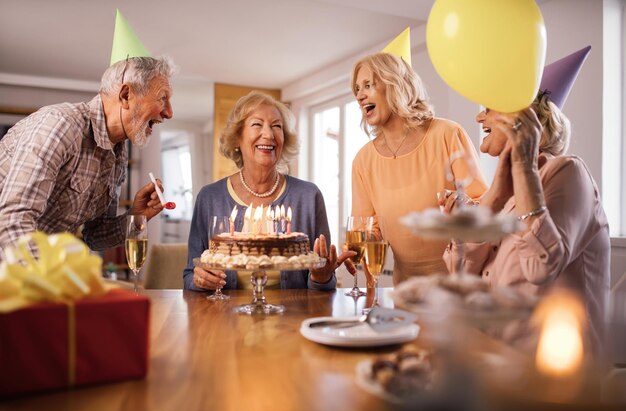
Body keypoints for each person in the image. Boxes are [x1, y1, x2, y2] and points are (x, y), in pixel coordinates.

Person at [442, 46, 609, 358]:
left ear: (525, 118)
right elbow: (459, 276)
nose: (480, 116)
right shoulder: (506, 189)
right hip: (496, 365)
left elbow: (540, 268)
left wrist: (523, 167)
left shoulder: (568, 172)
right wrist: (491, 202)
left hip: (556, 386)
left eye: (490, 107)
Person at [0, 56, 176, 260]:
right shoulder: (60, 125)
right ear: (126, 95)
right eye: (163, 98)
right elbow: (11, 220)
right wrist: (49, 283)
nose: (169, 112)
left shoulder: (118, 153)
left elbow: (96, 236)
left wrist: (137, 216)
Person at [184, 91, 353, 291]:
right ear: (237, 137)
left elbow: (325, 282)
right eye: (257, 124)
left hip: (291, 317)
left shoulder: (308, 197)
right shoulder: (210, 198)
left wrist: (321, 278)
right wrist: (200, 281)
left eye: (276, 126)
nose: (269, 134)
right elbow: (188, 276)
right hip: (227, 319)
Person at [350, 52, 487, 284]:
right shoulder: (363, 160)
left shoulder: (447, 134)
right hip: (407, 291)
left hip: (460, 287)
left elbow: (485, 205)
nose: (360, 96)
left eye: (368, 85)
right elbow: (367, 229)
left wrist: (465, 207)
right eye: (357, 89)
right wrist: (361, 245)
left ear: (396, 85)